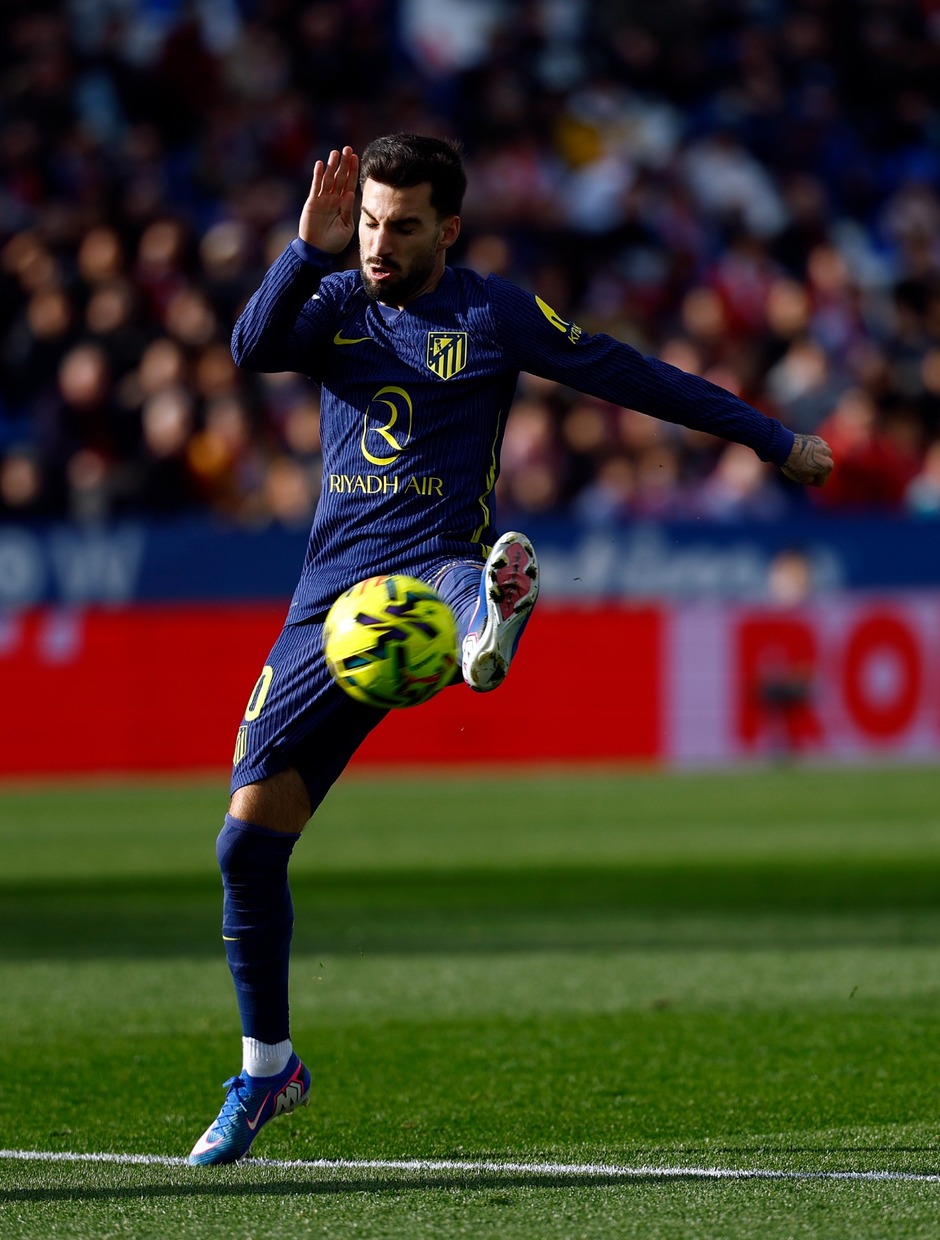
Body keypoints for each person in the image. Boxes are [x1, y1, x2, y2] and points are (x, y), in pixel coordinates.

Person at [188, 134, 834, 1166]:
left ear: (448, 228)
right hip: (325, 613)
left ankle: (486, 622)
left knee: (457, 587)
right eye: (369, 223)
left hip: (431, 569)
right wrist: (305, 249)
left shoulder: (492, 314)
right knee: (244, 849)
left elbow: (630, 374)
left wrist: (771, 438)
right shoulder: (339, 301)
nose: (380, 244)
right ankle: (270, 1070)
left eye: (402, 227)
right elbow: (250, 347)